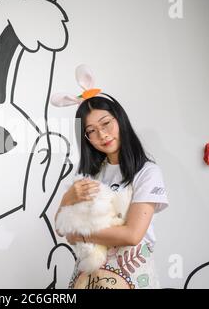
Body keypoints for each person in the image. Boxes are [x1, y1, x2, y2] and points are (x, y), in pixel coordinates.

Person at [54, 93, 169, 289]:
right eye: (91, 130)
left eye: (106, 123)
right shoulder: (90, 174)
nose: (102, 134)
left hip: (132, 274)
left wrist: (82, 234)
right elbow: (62, 229)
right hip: (89, 278)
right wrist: (67, 197)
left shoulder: (147, 173)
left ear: (120, 119)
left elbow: (132, 235)